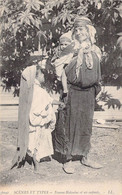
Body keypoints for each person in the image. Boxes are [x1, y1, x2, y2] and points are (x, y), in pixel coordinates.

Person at [54, 16, 102, 174]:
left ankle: (85, 156)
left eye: (82, 29)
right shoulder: (70, 48)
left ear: (89, 31)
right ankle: (67, 159)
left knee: (86, 125)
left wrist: (96, 90)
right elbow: (59, 69)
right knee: (69, 125)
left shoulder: (95, 49)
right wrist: (65, 90)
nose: (79, 32)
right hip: (73, 92)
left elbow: (97, 72)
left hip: (88, 94)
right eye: (77, 29)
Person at [11, 55, 65, 170]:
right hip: (37, 120)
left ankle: (33, 157)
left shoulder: (33, 90)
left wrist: (58, 103)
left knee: (35, 141)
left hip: (33, 121)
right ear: (36, 77)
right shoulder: (39, 91)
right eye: (42, 74)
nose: (43, 76)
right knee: (37, 142)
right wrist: (47, 111)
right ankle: (36, 163)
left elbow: (49, 100)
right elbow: (42, 104)